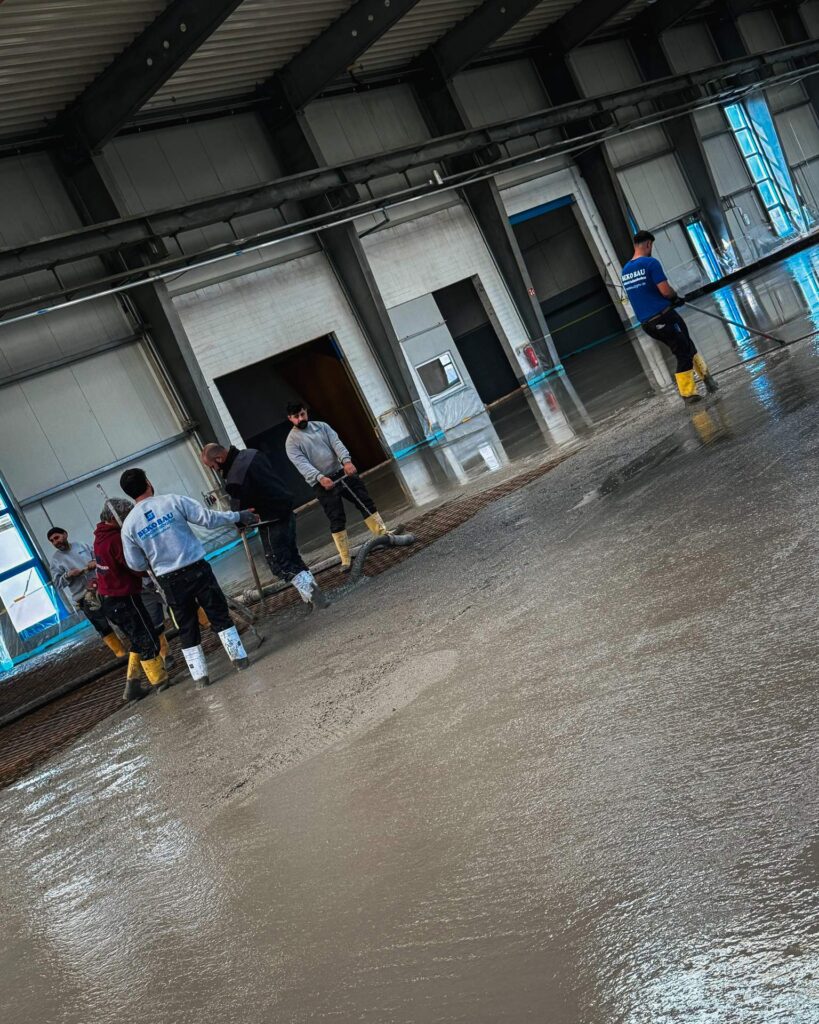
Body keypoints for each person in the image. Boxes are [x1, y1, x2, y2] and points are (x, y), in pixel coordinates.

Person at [119, 468, 258, 689]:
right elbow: (208, 519)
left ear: (128, 493)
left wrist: (154, 560)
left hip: (169, 580)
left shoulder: (129, 525)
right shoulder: (172, 501)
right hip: (197, 569)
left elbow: (135, 564)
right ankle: (239, 660)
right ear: (148, 482)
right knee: (218, 614)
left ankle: (201, 678)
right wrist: (238, 516)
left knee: (186, 626)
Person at [200, 443, 328, 609]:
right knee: (292, 556)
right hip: (286, 508)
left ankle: (315, 597)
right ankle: (312, 597)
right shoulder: (252, 453)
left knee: (279, 563)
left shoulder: (235, 476)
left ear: (219, 458)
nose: (214, 469)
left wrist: (239, 523)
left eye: (212, 466)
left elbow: (240, 509)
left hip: (270, 518)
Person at [284, 403, 392, 571]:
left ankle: (383, 535)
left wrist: (346, 461)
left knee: (365, 502)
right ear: (290, 419)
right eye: (296, 417)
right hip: (322, 483)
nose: (300, 419)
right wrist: (320, 477)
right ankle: (345, 558)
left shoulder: (322, 427)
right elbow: (302, 464)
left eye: (302, 414)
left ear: (306, 411)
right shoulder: (291, 443)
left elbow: (336, 443)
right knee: (337, 518)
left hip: (341, 472)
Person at [622, 230, 719, 405]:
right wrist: (675, 298)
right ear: (648, 244)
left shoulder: (626, 270)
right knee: (683, 352)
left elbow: (643, 294)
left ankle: (707, 378)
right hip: (662, 318)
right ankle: (688, 394)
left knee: (687, 344)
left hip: (649, 322)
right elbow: (665, 291)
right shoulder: (651, 263)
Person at [93, 498, 167, 701]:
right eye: (124, 517)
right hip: (123, 599)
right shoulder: (115, 539)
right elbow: (133, 566)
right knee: (147, 637)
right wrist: (151, 570)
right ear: (114, 518)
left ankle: (132, 684)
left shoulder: (100, 537)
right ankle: (159, 680)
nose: (127, 520)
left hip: (110, 601)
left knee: (137, 638)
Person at [47, 526, 125, 658]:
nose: (56, 542)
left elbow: (99, 556)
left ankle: (135, 641)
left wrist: (95, 561)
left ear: (65, 534)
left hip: (102, 588)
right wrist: (68, 575)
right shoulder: (56, 560)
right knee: (102, 625)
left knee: (119, 616)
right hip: (83, 597)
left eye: (57, 537)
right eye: (52, 541)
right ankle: (120, 652)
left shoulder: (81, 545)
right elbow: (57, 584)